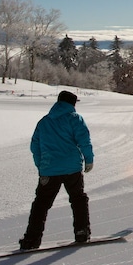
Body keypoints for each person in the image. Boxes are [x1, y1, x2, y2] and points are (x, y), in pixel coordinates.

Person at [19, 90, 95, 250]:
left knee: (41, 204)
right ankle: (82, 232)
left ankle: (31, 240)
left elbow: (35, 146)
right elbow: (84, 140)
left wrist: (41, 166)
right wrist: (89, 159)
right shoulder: (75, 119)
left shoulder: (44, 122)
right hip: (71, 168)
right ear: (72, 104)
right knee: (78, 199)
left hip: (49, 170)